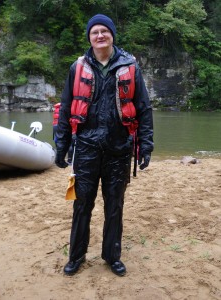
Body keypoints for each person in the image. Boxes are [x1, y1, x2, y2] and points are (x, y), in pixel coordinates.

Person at [55, 14, 154, 276]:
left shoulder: (130, 66)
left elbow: (143, 108)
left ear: (112, 35)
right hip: (85, 147)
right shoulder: (77, 68)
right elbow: (66, 108)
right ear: (89, 37)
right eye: (95, 32)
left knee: (115, 205)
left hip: (119, 148)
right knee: (82, 205)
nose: (100, 36)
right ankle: (76, 256)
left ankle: (112, 256)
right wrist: (61, 145)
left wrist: (146, 144)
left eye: (104, 31)